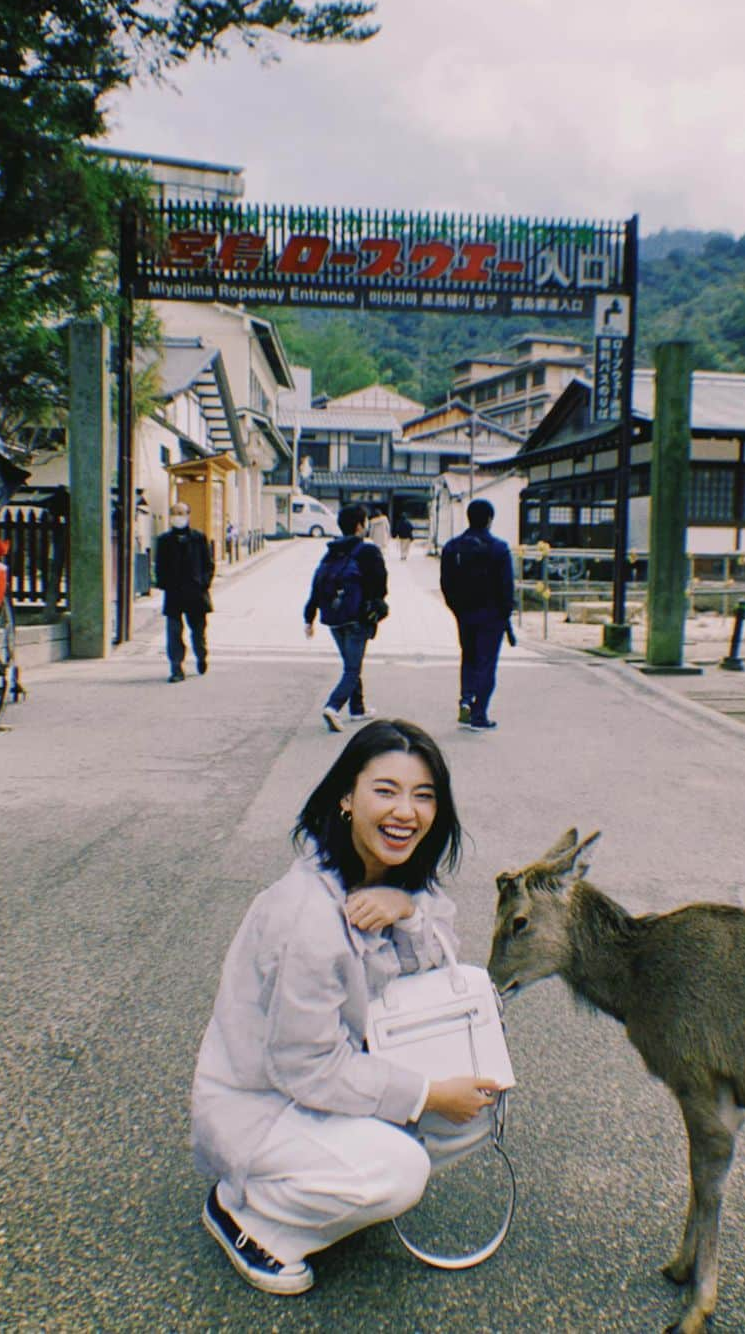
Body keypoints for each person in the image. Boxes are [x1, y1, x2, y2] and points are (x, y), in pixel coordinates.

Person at [191, 719, 500, 1296]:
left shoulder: (391, 879)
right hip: (266, 1105)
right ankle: (249, 1215)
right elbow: (303, 1069)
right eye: (385, 790)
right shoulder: (306, 917)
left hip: (337, 1079)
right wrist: (427, 1096)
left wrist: (406, 908)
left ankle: (334, 1183)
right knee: (402, 1170)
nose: (406, 811)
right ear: (345, 798)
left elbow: (434, 967)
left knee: (480, 1102)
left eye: (423, 795)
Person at [304, 503, 388, 731]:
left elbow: (317, 584)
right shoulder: (367, 551)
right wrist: (375, 606)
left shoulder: (331, 551)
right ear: (360, 526)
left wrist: (308, 617)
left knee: (351, 664)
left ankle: (357, 708)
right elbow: (380, 585)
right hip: (357, 618)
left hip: (333, 619)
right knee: (352, 669)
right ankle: (332, 707)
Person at [439, 498, 514, 732]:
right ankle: (479, 714)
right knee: (486, 663)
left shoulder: (452, 547)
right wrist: (505, 614)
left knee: (469, 658)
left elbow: (445, 583)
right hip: (491, 615)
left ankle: (465, 699)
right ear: (490, 519)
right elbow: (506, 587)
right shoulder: (499, 548)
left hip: (465, 613)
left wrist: (456, 609)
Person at [154, 501, 214, 683]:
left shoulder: (198, 538)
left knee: (198, 632)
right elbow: (159, 566)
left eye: (181, 513)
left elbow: (208, 565)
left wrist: (203, 583)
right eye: (174, 513)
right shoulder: (164, 540)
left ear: (188, 515)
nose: (178, 516)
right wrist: (164, 583)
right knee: (173, 633)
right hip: (174, 594)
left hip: (195, 593)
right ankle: (176, 668)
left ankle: (201, 655)